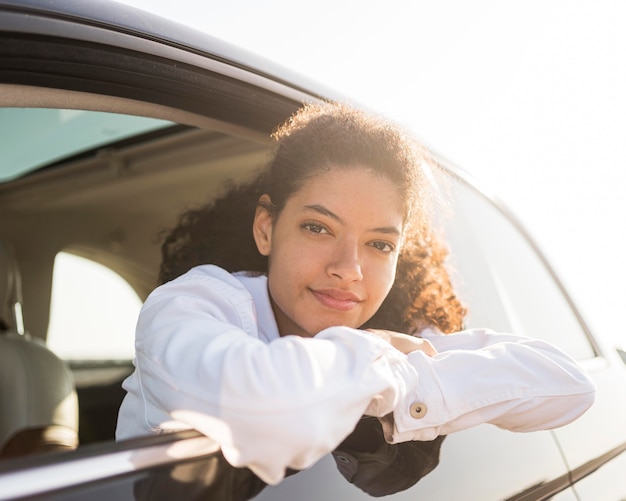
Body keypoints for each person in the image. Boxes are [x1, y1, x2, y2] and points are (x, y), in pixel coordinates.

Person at [116, 102, 595, 487]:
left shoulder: (388, 332)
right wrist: (380, 360)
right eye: (318, 228)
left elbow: (568, 386)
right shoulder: (188, 308)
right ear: (267, 228)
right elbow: (264, 405)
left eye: (379, 244)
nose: (349, 269)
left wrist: (406, 381)